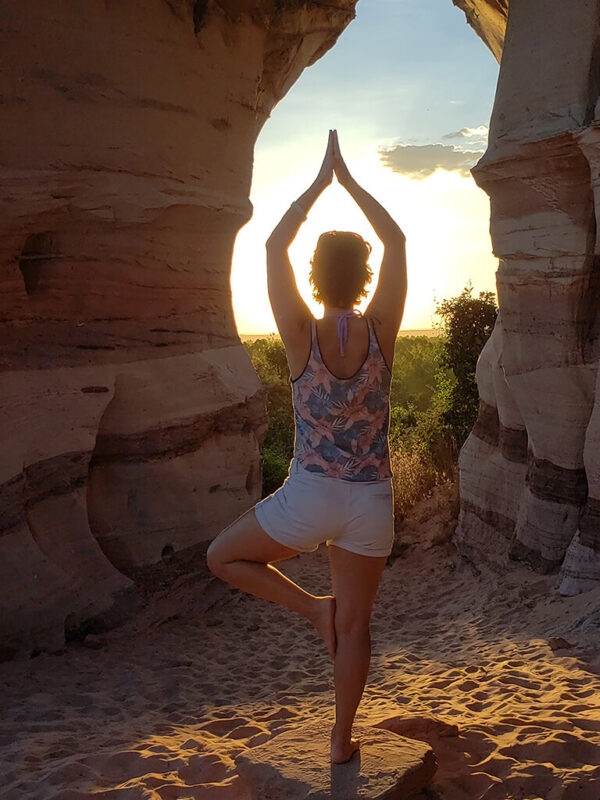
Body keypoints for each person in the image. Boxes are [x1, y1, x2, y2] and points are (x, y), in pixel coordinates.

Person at [207, 129, 407, 764]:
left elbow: (272, 244)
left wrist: (320, 183)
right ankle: (342, 741)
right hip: (370, 499)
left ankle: (309, 610)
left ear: (316, 278)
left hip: (309, 496)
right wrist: (351, 183)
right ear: (367, 274)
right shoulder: (383, 329)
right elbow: (398, 239)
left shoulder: (299, 334)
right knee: (358, 627)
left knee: (222, 557)